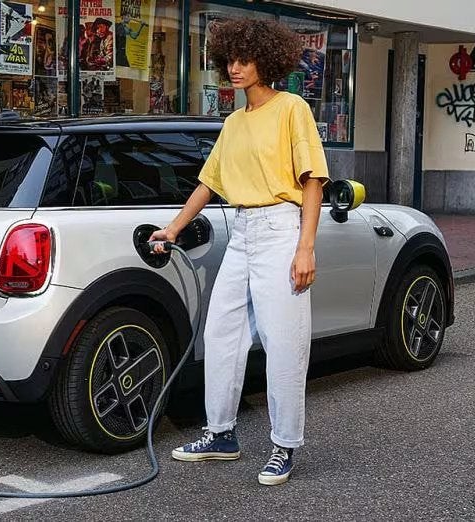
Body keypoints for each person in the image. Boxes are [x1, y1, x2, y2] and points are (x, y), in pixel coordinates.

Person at [152, 18, 327, 486]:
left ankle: (284, 445)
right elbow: (209, 183)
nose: (234, 67)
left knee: (282, 341)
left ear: (265, 61)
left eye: (244, 59)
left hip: (281, 229)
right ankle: (221, 434)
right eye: (229, 59)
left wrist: (305, 247)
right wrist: (172, 228)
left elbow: (313, 180)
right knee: (222, 331)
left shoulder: (292, 108)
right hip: (243, 232)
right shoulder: (233, 122)